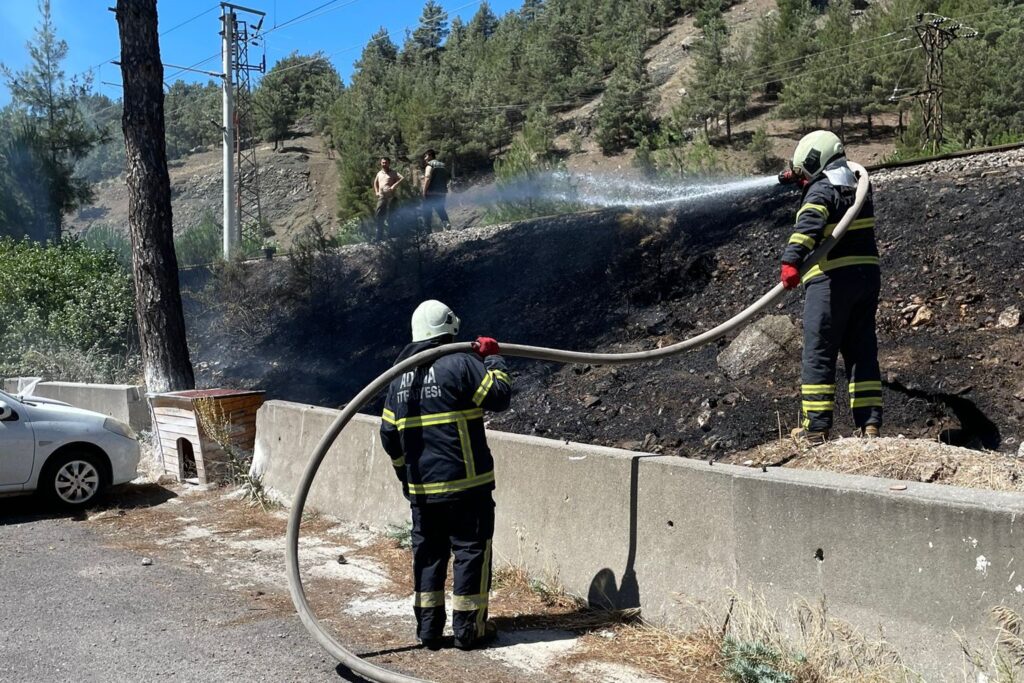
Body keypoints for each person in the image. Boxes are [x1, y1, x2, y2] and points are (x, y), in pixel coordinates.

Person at [380, 300, 512, 651]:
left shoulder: (398, 379)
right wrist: (494, 358)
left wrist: (405, 478)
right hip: (467, 488)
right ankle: (470, 630)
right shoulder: (461, 364)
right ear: (449, 328)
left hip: (423, 493)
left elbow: (389, 438)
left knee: (428, 555)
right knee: (471, 551)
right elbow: (499, 396)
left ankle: (429, 631)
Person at [778, 130, 882, 444]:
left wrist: (791, 261)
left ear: (814, 159)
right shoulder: (857, 184)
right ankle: (870, 425)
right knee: (861, 351)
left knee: (819, 353)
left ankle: (816, 429)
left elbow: (808, 226)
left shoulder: (820, 190)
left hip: (830, 282)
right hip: (866, 279)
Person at [373, 157, 404, 241]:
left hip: (392, 197)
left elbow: (402, 178)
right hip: (382, 197)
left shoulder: (393, 172)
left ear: (389, 163)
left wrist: (394, 185)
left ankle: (392, 235)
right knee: (379, 216)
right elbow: (375, 182)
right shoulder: (379, 173)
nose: (384, 164)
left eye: (386, 162)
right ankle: (379, 237)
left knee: (392, 216)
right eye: (382, 162)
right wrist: (376, 192)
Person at [421, 149, 452, 231]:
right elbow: (448, 177)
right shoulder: (443, 165)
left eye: (426, 156)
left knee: (427, 210)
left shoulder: (429, 165)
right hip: (442, 192)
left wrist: (424, 191)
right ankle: (446, 223)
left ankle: (427, 230)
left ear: (430, 156)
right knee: (440, 208)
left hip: (431, 192)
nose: (425, 158)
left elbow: (427, 177)